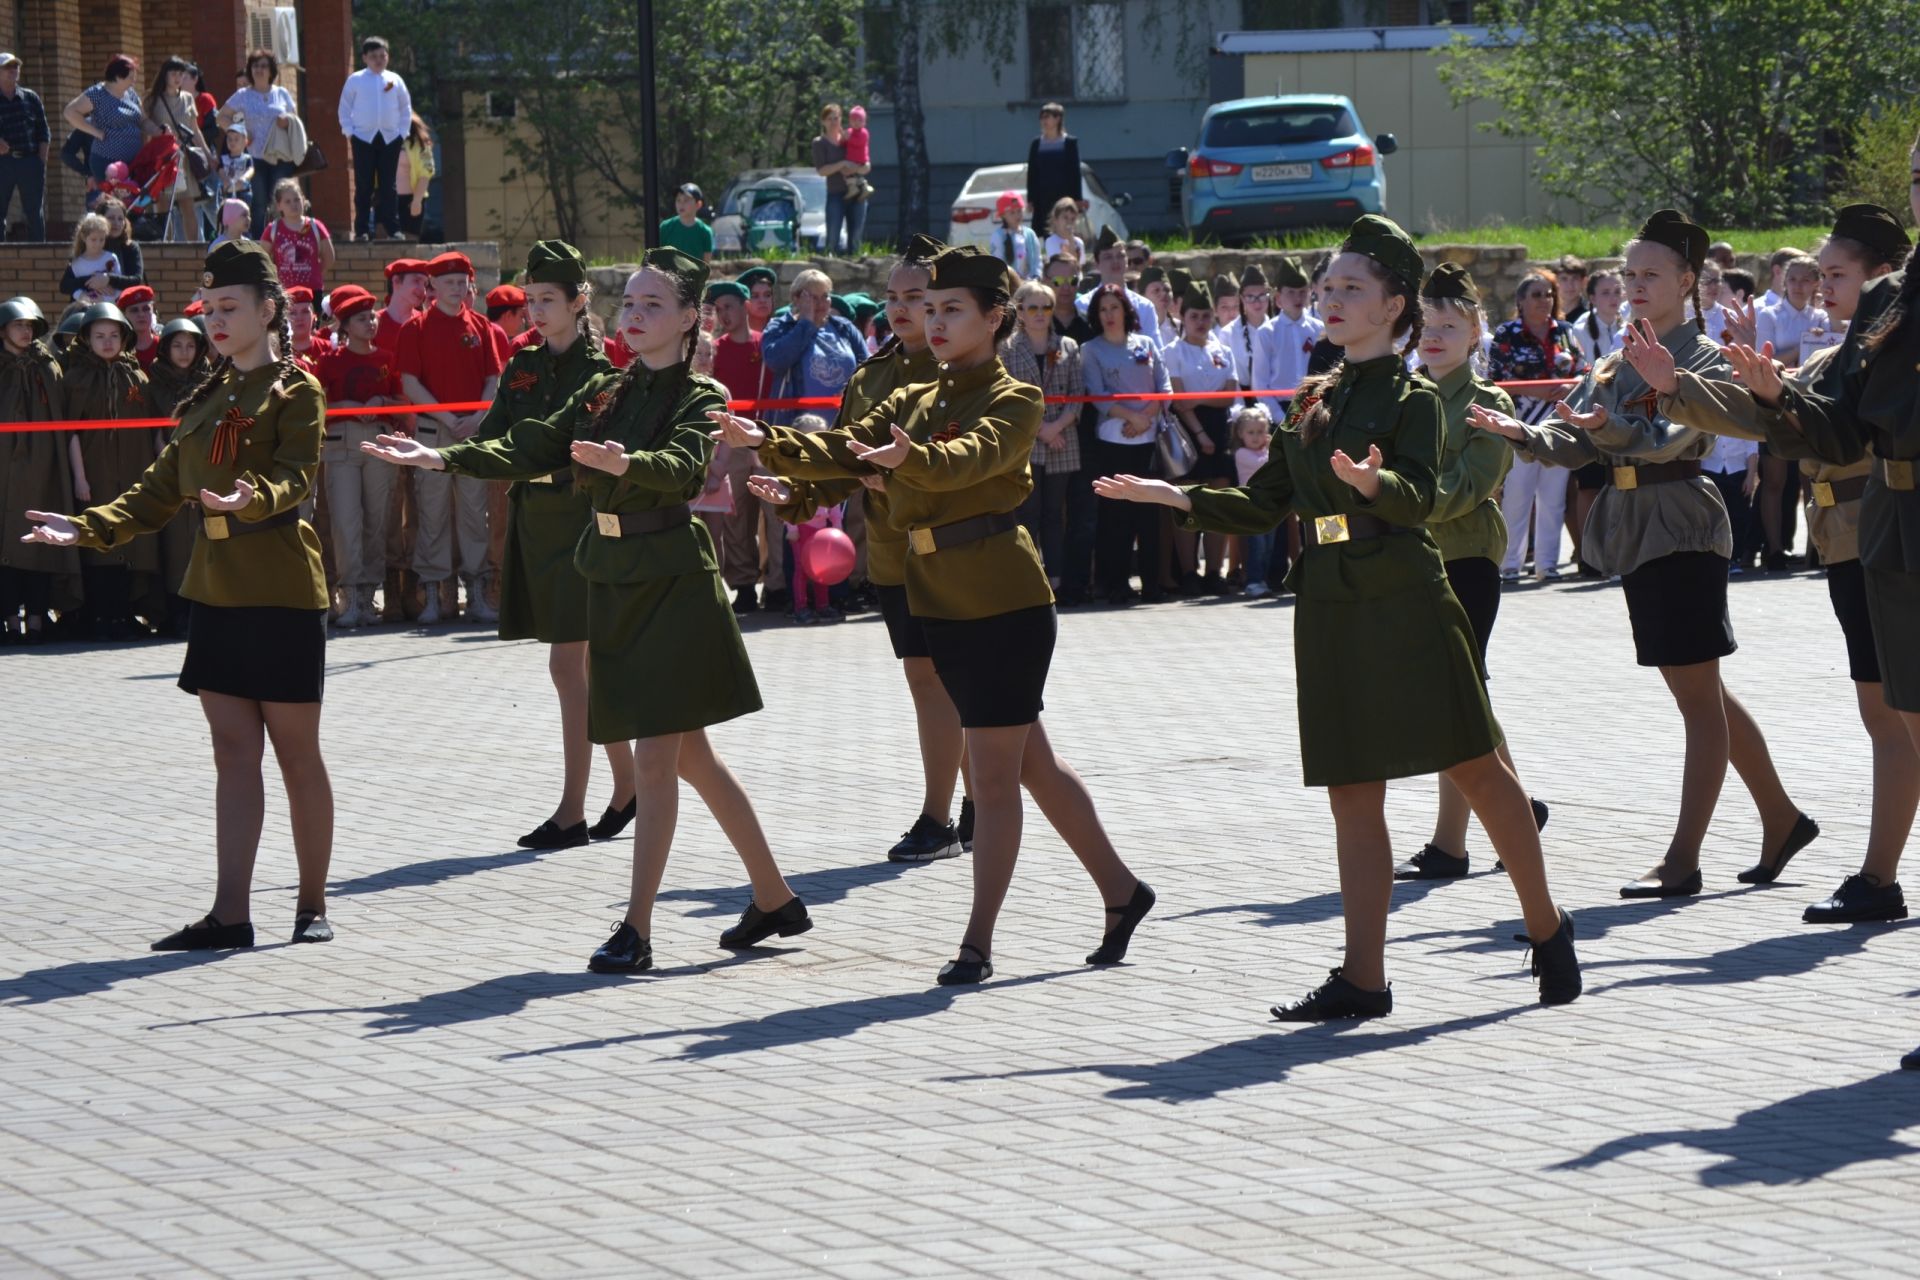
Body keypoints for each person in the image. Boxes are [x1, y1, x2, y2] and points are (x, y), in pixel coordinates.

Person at [1097, 215, 1579, 1019]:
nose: (1333, 298)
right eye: (1329, 286)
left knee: (1475, 769)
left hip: (1401, 594)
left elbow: (1421, 495)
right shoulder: (1317, 395)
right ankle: (1364, 977)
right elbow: (1266, 503)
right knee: (1353, 793)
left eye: (1353, 288)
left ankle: (1546, 924)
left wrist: (1371, 487)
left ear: (1397, 307)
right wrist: (1181, 498)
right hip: (1327, 601)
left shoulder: (1416, 398)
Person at [365, 247, 807, 974]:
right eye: (629, 304)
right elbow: (536, 439)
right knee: (693, 756)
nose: (634, 316)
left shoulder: (700, 397)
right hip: (616, 576)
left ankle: (637, 928)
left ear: (691, 318)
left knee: (660, 757)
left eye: (653, 305)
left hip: (671, 581)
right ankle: (775, 897)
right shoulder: (608, 391)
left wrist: (624, 465)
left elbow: (685, 469)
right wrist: (445, 460)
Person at [719, 245, 1151, 984]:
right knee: (1035, 766)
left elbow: (964, 462)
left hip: (1002, 600)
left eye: (954, 309)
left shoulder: (1016, 397)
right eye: (930, 307)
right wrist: (773, 445)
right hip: (938, 595)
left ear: (994, 318)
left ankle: (977, 942)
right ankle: (1122, 891)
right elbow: (846, 449)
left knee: (992, 776)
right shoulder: (915, 398)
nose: (936, 320)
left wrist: (900, 460)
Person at [1470, 209, 1819, 899]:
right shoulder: (1614, 354)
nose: (1634, 284)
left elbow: (1665, 437)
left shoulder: (1699, 357)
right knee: (1703, 690)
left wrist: (1611, 425)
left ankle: (1684, 858)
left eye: (1650, 274)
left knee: (1696, 699)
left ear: (1688, 281)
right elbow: (1579, 438)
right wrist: (1525, 434)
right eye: (1628, 273)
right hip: (1637, 527)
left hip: (1681, 523)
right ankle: (1781, 818)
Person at [23, 240, 333, 949]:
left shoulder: (296, 390)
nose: (217, 321)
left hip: (282, 589)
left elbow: (296, 478)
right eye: (210, 309)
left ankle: (312, 905)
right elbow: (159, 491)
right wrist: (87, 527)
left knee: (296, 755)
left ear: (267, 309)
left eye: (230, 308)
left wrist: (256, 499)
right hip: (216, 590)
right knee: (231, 752)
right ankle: (231, 915)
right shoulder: (208, 395)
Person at [1660, 203, 1915, 927]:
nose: (1824, 285)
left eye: (1838, 273)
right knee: (1885, 714)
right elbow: (1769, 412)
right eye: (1824, 272)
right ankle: (1879, 871)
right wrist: (1691, 383)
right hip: (1848, 539)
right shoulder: (1843, 353)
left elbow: (1796, 417)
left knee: (1892, 716)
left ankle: (1880, 873)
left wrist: (1712, 387)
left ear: (1883, 278)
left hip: (1881, 534)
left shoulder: (1868, 352)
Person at [727, 235, 977, 861]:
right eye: (892, 297)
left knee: (961, 681)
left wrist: (896, 473)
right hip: (897, 552)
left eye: (915, 297)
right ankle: (962, 808)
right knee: (929, 680)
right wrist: (795, 495)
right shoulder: (872, 375)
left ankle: (950, 813)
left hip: (959, 553)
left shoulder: (969, 374)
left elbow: (970, 467)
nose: (900, 309)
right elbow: (841, 459)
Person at [457, 240, 641, 847]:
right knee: (582, 668)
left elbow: (566, 450)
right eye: (530, 298)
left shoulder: (601, 374)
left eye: (548, 299)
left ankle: (571, 812)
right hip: (534, 519)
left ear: (579, 300)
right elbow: (496, 436)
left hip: (579, 521)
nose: (535, 309)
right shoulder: (520, 365)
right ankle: (627, 784)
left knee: (569, 664)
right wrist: (443, 459)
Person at [1391, 263, 1551, 880]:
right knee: (1464, 698)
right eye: (1427, 325)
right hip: (1416, 557)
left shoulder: (1489, 401)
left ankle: (1452, 845)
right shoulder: (1406, 396)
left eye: (1449, 325)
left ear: (1476, 333)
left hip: (1467, 557)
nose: (1434, 336)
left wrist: (1401, 497)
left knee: (1457, 697)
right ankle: (1514, 806)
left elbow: (1471, 484)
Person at [394, 251, 508, 624]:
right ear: (434, 286)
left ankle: (476, 591)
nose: (457, 289)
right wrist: (448, 418)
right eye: (449, 282)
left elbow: (494, 378)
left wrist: (476, 416)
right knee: (432, 513)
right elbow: (410, 381)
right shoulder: (416, 328)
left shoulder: (481, 326)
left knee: (476, 513)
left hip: (471, 432)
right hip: (433, 431)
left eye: (462, 282)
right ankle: (435, 593)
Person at [61, 301, 158, 639]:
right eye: (99, 335)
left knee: (129, 545)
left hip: (130, 471)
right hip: (95, 472)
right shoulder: (75, 378)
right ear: (86, 338)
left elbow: (150, 430)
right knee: (96, 543)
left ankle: (124, 615)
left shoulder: (136, 376)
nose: (107, 342)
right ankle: (97, 616)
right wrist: (80, 477)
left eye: (114, 335)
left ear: (124, 337)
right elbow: (69, 431)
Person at [1489, 271, 1587, 581]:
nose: (1544, 300)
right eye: (1536, 294)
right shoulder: (1507, 334)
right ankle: (1509, 564)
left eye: (1548, 294)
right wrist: (1536, 390)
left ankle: (1548, 565)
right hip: (1520, 427)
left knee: (1553, 499)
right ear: (1520, 300)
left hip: (1558, 427)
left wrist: (1570, 388)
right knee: (1517, 496)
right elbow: (1496, 379)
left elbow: (1584, 372)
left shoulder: (1566, 332)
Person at [313, 285, 398, 629]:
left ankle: (367, 595)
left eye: (373, 316)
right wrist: (343, 407)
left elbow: (403, 402)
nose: (371, 322)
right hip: (340, 443)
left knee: (377, 520)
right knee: (345, 522)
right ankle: (347, 593)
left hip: (379, 437)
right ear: (345, 326)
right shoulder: (329, 361)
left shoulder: (387, 358)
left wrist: (382, 404)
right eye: (362, 319)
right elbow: (315, 404)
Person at [1083, 282, 1169, 605]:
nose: (1109, 314)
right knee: (1115, 516)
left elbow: (1164, 385)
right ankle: (1116, 584)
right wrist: (1131, 418)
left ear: (1125, 310)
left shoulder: (1146, 343)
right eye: (1103, 309)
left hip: (1147, 439)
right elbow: (1097, 395)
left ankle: (1152, 584)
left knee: (1148, 515)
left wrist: (1146, 415)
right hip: (1113, 441)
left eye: (1114, 308)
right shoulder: (1091, 349)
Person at [0, 297, 80, 643]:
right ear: (4, 329)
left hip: (43, 469)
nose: (25, 331)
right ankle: (8, 621)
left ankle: (36, 619)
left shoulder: (48, 365)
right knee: (5, 547)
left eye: (30, 326)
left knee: (37, 543)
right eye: (19, 325)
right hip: (4, 470)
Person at [1002, 277, 1083, 588]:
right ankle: (1027, 577)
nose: (1039, 313)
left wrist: (1057, 427)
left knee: (1055, 514)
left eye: (1046, 307)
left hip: (1063, 441)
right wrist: (1041, 430)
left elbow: (1078, 397)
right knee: (1027, 512)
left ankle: (1056, 577)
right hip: (1026, 443)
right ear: (1019, 311)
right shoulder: (1006, 349)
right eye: (1032, 307)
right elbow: (1005, 398)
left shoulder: (1067, 346)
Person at [1162, 282, 1239, 593]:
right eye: (1195, 315)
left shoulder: (1223, 350)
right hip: (1188, 432)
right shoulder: (1173, 351)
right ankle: (1189, 572)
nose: (1201, 322)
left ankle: (1213, 573)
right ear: (1184, 316)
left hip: (1219, 430)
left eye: (1206, 316)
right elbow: (1180, 399)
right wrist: (1199, 432)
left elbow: (1230, 395)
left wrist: (1200, 399)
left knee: (1218, 504)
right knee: (1186, 503)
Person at [146, 315, 211, 633]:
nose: (184, 352)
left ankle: (199, 614)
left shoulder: (211, 382)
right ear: (166, 348)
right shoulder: (153, 385)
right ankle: (172, 614)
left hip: (203, 476)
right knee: (172, 548)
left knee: (199, 544)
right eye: (177, 345)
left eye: (190, 345)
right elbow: (156, 436)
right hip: (169, 474)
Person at [216, 48, 298, 236]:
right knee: (258, 204)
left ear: (271, 70)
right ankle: (261, 244)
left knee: (281, 202)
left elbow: (295, 121)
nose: (259, 70)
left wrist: (287, 121)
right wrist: (240, 133)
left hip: (280, 157)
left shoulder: (282, 93)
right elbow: (221, 117)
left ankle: (282, 239)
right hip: (255, 157)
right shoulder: (244, 94)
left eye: (263, 66)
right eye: (255, 66)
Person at [338, 36, 410, 242]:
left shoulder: (395, 80)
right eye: (373, 56)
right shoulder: (356, 79)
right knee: (364, 186)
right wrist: (349, 131)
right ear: (365, 58)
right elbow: (344, 107)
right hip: (363, 138)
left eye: (382, 55)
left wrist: (402, 132)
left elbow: (405, 107)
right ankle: (361, 230)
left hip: (390, 138)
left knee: (389, 185)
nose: (378, 60)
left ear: (387, 56)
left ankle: (393, 229)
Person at [781, 413, 846, 624]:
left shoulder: (826, 466)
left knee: (822, 570)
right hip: (801, 528)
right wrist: (791, 528)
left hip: (823, 531)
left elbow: (833, 499)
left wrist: (837, 527)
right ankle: (800, 607)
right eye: (808, 437)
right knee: (801, 569)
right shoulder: (792, 467)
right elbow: (788, 500)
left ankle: (823, 606)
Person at [140, 56, 202, 242]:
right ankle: (165, 246)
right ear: (164, 75)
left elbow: (195, 130)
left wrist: (207, 155)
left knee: (187, 205)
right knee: (163, 207)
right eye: (173, 73)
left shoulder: (188, 98)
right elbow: (145, 129)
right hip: (163, 159)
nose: (177, 77)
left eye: (181, 74)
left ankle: (193, 250)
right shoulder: (152, 99)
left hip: (184, 157)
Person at [1254, 257, 1324, 420]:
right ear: (1278, 298)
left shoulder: (1319, 329)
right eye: (1291, 293)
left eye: (1302, 292)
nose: (1297, 298)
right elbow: (1260, 384)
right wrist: (1280, 417)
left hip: (1313, 405)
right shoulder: (1267, 332)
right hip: (1280, 407)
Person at [62, 54, 143, 197]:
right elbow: (70, 112)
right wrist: (95, 132)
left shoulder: (130, 93)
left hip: (133, 162)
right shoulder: (98, 93)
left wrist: (158, 130)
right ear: (118, 76)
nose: (134, 81)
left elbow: (143, 119)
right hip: (107, 162)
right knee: (113, 205)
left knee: (133, 205)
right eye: (130, 77)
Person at [0, 52, 50, 241]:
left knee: (34, 213)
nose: (13, 70)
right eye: (7, 67)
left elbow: (43, 131)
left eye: (16, 66)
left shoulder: (30, 97)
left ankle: (40, 254)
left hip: (29, 161)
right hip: (2, 163)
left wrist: (40, 160)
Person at [1075, 225, 1157, 336]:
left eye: (1120, 256)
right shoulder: (1084, 305)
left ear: (1127, 260)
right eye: (1108, 257)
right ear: (1097, 264)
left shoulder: (1144, 307)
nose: (1115, 261)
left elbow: (1154, 350)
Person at [260, 178, 334, 297]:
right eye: (287, 201)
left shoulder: (316, 227)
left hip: (312, 291)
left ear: (303, 201)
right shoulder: (272, 229)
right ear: (279, 206)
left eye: (296, 200)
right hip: (284, 293)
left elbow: (329, 258)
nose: (293, 204)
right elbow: (262, 260)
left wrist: (317, 275)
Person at [1229, 404, 1274, 597]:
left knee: (1268, 547)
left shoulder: (1265, 451)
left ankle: (1262, 579)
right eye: (1251, 432)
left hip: (1270, 505)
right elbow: (1263, 465)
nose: (1256, 437)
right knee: (1257, 546)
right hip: (1252, 505)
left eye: (1261, 432)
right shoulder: (1241, 454)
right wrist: (1273, 449)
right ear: (1240, 433)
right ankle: (1253, 581)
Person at [812, 104, 869, 255]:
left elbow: (866, 165)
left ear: (841, 119)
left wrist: (856, 168)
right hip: (836, 194)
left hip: (857, 193)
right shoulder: (819, 143)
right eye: (829, 119)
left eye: (836, 118)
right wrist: (842, 164)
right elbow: (822, 171)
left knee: (855, 238)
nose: (833, 122)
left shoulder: (851, 137)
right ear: (823, 121)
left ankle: (855, 273)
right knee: (832, 237)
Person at [64, 213, 120, 303]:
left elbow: (118, 287)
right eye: (93, 239)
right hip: (84, 308)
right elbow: (71, 287)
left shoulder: (111, 258)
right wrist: (83, 296)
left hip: (108, 308)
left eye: (102, 239)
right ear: (83, 237)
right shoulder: (76, 263)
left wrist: (104, 299)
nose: (98, 244)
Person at [396, 113, 434, 239]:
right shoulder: (385, 139)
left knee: (409, 241)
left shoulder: (420, 143)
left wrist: (416, 201)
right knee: (384, 241)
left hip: (411, 200)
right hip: (389, 199)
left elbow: (426, 173)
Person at [989, 192, 1042, 281]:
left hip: (1030, 283)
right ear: (1003, 215)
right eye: (1012, 212)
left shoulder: (1029, 234)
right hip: (1010, 284)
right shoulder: (998, 236)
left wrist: (1036, 276)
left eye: (1019, 211)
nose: (1017, 215)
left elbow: (1037, 259)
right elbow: (998, 264)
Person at [659, 182, 714, 262]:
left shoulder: (705, 231)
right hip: (667, 274)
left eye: (686, 200)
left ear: (698, 204)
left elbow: (706, 264)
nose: (681, 204)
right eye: (678, 200)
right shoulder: (665, 227)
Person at [117, 284, 159, 369]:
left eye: (146, 309)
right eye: (134, 310)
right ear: (124, 315)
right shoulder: (118, 350)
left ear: (153, 311)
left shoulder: (164, 346)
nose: (141, 314)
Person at [217, 122, 253, 205]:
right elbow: (220, 169)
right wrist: (224, 178)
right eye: (229, 139)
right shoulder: (224, 158)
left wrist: (244, 177)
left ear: (245, 142)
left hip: (243, 191)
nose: (232, 142)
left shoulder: (246, 158)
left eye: (236, 139)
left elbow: (250, 169)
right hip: (228, 192)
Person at [1044, 197, 1084, 265]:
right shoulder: (1051, 241)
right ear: (1055, 220)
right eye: (1065, 217)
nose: (1069, 222)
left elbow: (1078, 264)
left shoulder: (1079, 242)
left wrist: (1071, 240)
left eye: (1073, 219)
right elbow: (1061, 265)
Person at [737, 265, 777, 332]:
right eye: (755, 296)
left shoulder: (782, 332)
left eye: (767, 295)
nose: (762, 301)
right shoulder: (734, 337)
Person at [1555, 255, 1591, 324]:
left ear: (1584, 282)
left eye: (1575, 278)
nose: (1570, 285)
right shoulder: (1546, 314)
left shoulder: (1590, 316)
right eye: (1564, 279)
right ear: (1555, 282)